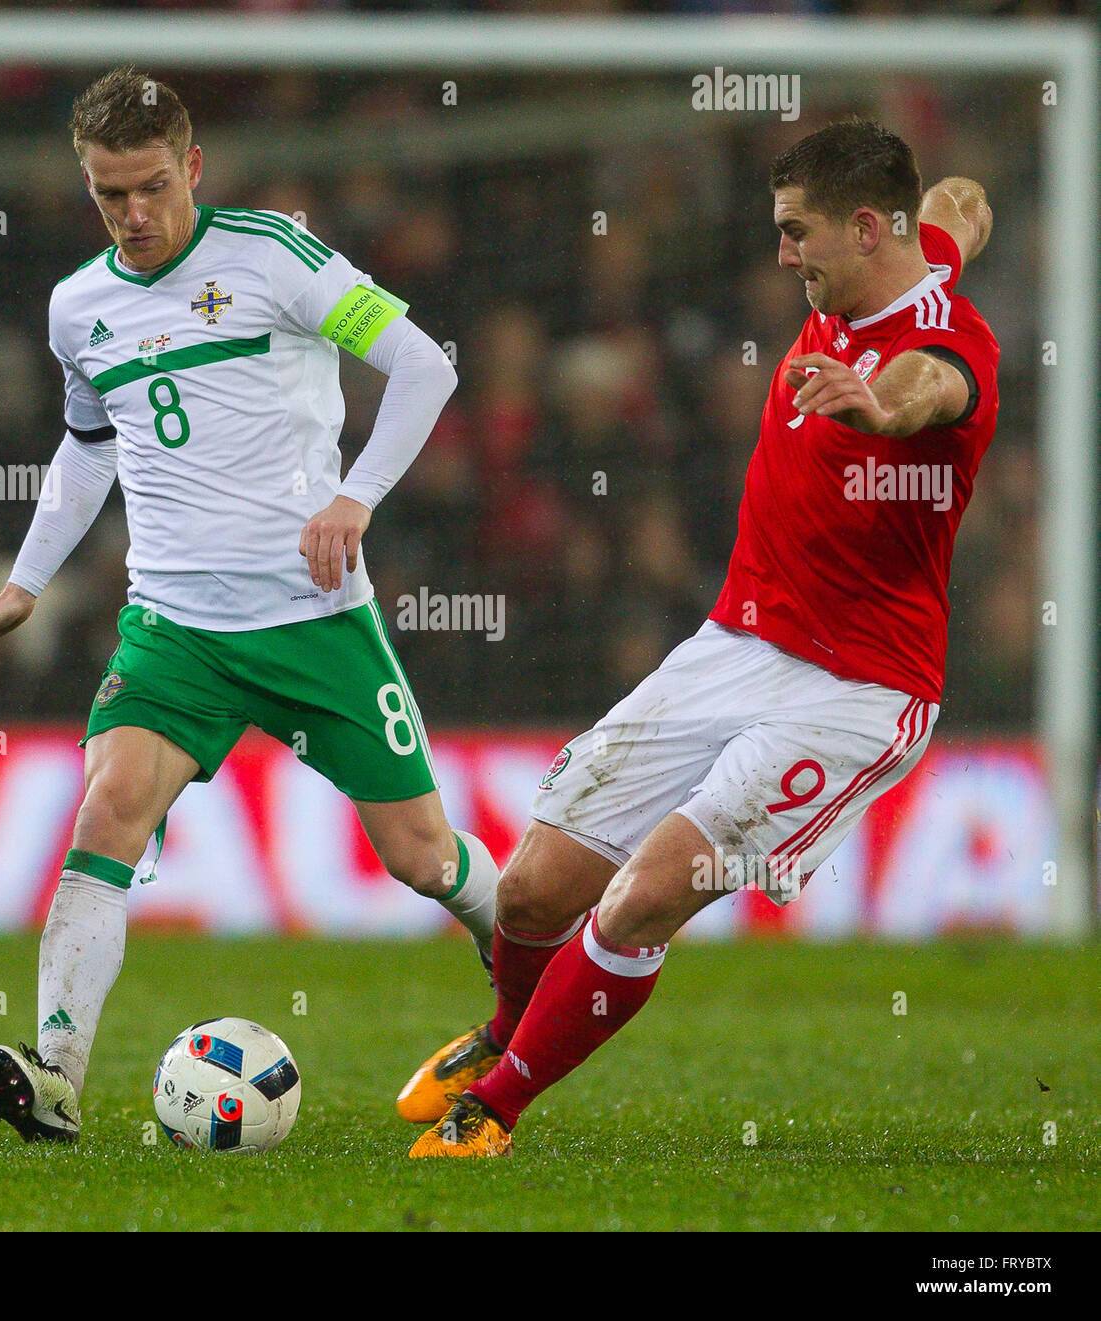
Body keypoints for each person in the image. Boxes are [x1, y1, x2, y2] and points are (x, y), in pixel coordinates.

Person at [401, 120, 998, 1157]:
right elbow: (962, 200)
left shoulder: (946, 354)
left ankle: (494, 1104)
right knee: (535, 886)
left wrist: (876, 403)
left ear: (860, 231)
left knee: (642, 898)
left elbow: (927, 391)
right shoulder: (898, 255)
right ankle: (503, 1027)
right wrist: (944, 212)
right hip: (737, 643)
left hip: (855, 693)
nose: (781, 256)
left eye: (793, 233)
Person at [0, 66, 499, 1143]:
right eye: (111, 194)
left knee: (423, 858)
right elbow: (85, 448)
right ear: (87, 183)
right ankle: (55, 1074)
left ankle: (519, 961)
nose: (135, 214)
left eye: (152, 185)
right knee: (107, 807)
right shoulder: (78, 307)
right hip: (175, 628)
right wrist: (23, 584)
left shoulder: (272, 257)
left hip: (311, 617)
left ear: (192, 166)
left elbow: (423, 367)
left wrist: (356, 497)